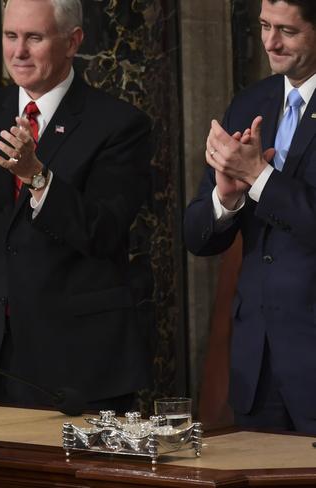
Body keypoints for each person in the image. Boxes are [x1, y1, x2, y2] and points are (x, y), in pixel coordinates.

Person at [0, 0, 152, 411]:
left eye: (33, 38)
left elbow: (104, 230)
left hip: (74, 362)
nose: (18, 51)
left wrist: (38, 177)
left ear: (73, 41)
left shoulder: (118, 124)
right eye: (11, 36)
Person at [185, 0, 316, 434]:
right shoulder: (251, 102)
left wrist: (259, 176)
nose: (270, 42)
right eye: (263, 26)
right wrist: (226, 198)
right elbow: (198, 237)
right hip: (256, 368)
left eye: (288, 31)